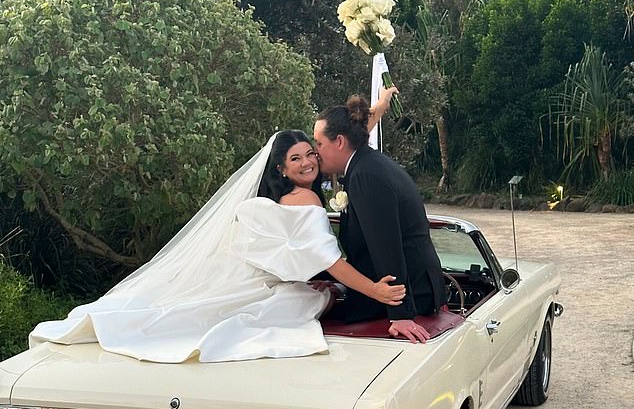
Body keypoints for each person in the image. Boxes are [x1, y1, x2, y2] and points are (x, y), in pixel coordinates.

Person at [30, 101, 404, 363]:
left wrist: (376, 110)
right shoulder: (306, 200)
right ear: (281, 170)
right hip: (269, 285)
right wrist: (374, 290)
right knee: (291, 307)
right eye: (297, 158)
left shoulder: (278, 199)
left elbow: (344, 143)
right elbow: (329, 260)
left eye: (312, 152)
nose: (309, 161)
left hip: (243, 275)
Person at [313, 95, 446, 343]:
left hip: (409, 296)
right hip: (412, 288)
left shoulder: (365, 176)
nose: (315, 152)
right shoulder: (368, 164)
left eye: (319, 143)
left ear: (339, 142)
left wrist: (401, 314)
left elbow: (386, 246)